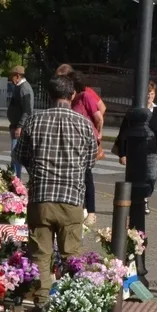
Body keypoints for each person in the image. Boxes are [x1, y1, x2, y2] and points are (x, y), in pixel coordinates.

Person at [15, 74, 97, 312]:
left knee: (40, 253)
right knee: (71, 253)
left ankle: (42, 301)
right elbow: (90, 161)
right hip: (72, 197)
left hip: (41, 197)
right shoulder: (83, 124)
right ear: (72, 96)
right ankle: (72, 304)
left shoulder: (34, 121)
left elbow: (21, 155)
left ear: (49, 96)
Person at [56, 65, 105, 215]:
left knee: (86, 175)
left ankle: (90, 210)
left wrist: (97, 134)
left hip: (85, 140)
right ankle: (78, 206)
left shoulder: (86, 94)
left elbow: (101, 111)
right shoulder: (74, 97)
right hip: (75, 139)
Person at [116, 80, 157, 210]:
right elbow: (123, 133)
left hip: (151, 150)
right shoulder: (134, 111)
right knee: (134, 178)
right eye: (148, 93)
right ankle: (137, 202)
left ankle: (145, 197)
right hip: (134, 150)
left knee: (151, 177)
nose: (150, 96)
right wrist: (122, 153)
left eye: (152, 94)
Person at [7, 65, 34, 179]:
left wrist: (19, 126)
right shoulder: (18, 87)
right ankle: (15, 178)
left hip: (19, 128)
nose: (10, 79)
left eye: (11, 76)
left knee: (16, 155)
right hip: (15, 126)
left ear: (17, 76)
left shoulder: (24, 88)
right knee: (15, 155)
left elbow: (27, 110)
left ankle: (16, 179)